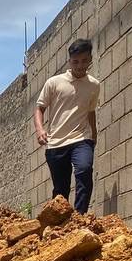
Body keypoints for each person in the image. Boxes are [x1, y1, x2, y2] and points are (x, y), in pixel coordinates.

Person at [35, 38, 100, 213]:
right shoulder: (54, 83)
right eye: (76, 61)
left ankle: (79, 217)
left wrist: (93, 136)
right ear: (70, 61)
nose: (80, 65)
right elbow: (40, 108)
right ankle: (60, 226)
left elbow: (90, 111)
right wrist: (40, 130)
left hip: (81, 138)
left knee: (84, 172)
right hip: (56, 142)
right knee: (61, 190)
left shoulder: (94, 85)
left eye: (84, 60)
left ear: (90, 59)